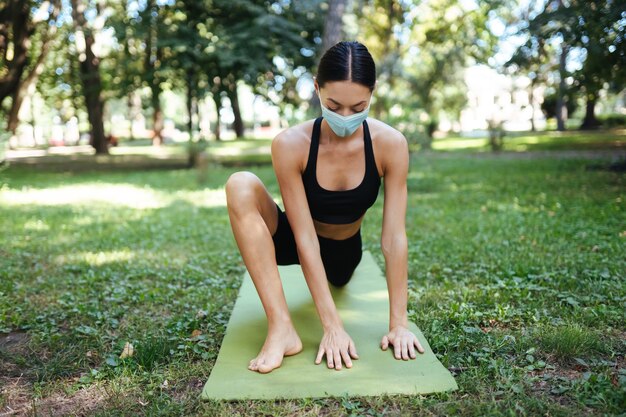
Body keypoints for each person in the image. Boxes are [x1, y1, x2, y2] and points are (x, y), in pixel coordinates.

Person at [225, 41, 424, 374]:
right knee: (239, 184)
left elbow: (393, 238)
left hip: (343, 251)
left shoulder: (391, 144)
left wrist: (399, 323)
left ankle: (304, 317)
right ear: (317, 89)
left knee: (340, 275)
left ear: (372, 95)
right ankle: (281, 329)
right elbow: (304, 238)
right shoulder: (291, 145)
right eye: (334, 104)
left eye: (358, 106)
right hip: (295, 238)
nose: (345, 116)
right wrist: (331, 326)